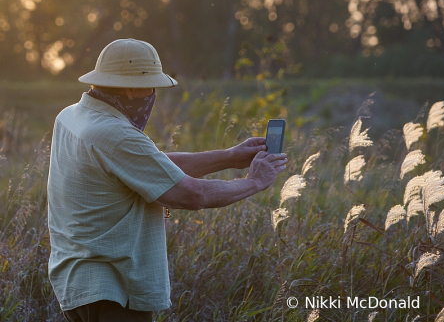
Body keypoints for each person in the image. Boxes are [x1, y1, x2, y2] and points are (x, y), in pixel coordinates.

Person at [47, 38, 287, 322]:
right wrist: (254, 181)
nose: (153, 95)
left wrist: (230, 157)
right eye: (152, 87)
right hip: (114, 290)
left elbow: (150, 165)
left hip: (78, 286)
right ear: (131, 87)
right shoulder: (116, 134)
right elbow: (191, 194)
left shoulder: (72, 116)